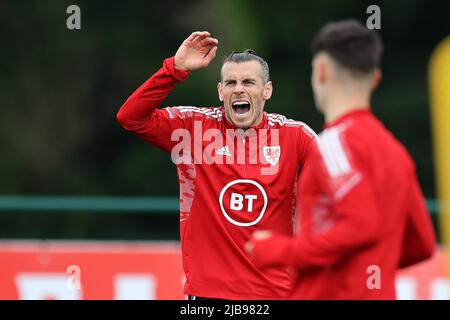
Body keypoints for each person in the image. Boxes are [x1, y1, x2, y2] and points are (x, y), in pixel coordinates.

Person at [116, 31, 316, 299]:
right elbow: (131, 118)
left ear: (267, 90)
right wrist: (173, 70)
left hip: (276, 294)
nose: (239, 89)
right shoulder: (194, 129)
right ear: (221, 91)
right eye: (231, 83)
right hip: (209, 297)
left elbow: (340, 188)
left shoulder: (296, 137)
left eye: (248, 82)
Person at [246, 20, 436, 299]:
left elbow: (361, 225)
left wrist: (279, 250)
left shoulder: (334, 142)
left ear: (321, 71)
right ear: (375, 79)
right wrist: (367, 268)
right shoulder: (396, 152)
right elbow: (422, 244)